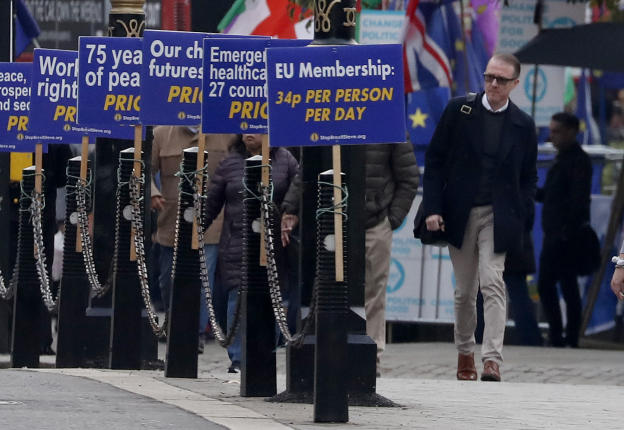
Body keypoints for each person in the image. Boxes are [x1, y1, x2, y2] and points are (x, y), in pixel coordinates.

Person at [417, 53, 537, 382]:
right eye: (489, 77)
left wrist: (522, 210)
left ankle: (492, 359)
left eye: (501, 79)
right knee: (465, 290)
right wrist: (434, 208)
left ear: (515, 84)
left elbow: (529, 176)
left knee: (493, 281)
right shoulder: (460, 111)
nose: (493, 84)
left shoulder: (523, 124)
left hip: (498, 215)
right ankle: (464, 352)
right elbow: (435, 161)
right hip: (459, 211)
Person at [280, 140, 418, 376]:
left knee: (374, 293)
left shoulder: (388, 124)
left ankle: (371, 358)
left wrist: (391, 218)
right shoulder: (335, 114)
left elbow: (409, 177)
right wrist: (291, 207)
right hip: (332, 222)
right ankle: (331, 352)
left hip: (373, 223)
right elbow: (307, 169)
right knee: (329, 288)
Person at [204, 133, 299, 373]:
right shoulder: (230, 163)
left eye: (256, 129)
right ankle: (237, 358)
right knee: (238, 300)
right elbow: (212, 202)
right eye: (245, 129)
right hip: (238, 243)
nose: (249, 134)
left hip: (276, 247)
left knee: (275, 299)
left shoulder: (286, 160)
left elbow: (298, 191)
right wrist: (194, 230)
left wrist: (290, 211)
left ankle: (266, 350)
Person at [150, 126, 231, 351]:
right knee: (168, 279)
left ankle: (193, 333)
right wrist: (152, 192)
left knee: (203, 281)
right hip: (170, 223)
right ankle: (175, 321)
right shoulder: (161, 134)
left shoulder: (224, 132)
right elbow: (144, 169)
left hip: (210, 222)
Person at [537, 111, 592, 347]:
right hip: (556, 232)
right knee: (559, 285)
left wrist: (565, 231)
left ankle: (565, 336)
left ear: (571, 132)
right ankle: (561, 335)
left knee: (558, 285)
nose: (553, 136)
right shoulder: (562, 159)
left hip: (566, 235)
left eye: (557, 131)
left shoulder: (578, 161)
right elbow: (551, 196)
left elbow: (577, 200)